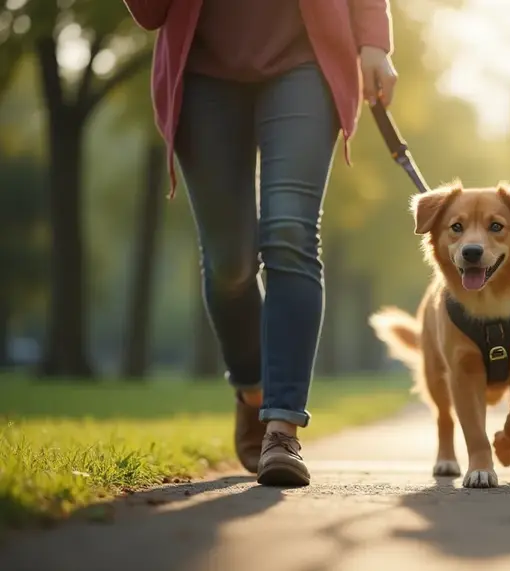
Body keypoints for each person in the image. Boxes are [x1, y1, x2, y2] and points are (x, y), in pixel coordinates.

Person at [122, 0, 398, 487]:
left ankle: (282, 428)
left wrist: (374, 39)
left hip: (306, 58)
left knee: (291, 234)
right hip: (203, 68)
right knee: (229, 264)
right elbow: (149, 14)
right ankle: (251, 391)